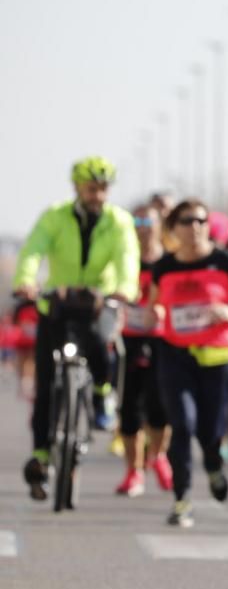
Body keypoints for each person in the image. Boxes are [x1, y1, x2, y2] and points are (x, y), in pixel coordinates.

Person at [13, 157, 139, 501]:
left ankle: (101, 393)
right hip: (58, 303)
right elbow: (32, 250)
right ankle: (41, 452)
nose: (99, 194)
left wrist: (125, 289)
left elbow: (128, 257)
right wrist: (26, 281)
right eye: (92, 188)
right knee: (45, 383)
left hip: (99, 302)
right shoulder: (55, 216)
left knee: (100, 338)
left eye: (104, 188)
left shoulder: (119, 222)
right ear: (78, 188)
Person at [150, 200, 228, 527]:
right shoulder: (164, 267)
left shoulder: (224, 262)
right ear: (174, 228)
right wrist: (153, 314)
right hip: (175, 354)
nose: (194, 226)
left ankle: (213, 464)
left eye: (200, 220)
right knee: (182, 424)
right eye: (186, 221)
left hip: (218, 356)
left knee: (211, 429)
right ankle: (182, 498)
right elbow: (153, 306)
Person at [115, 203, 173, 497]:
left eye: (148, 221)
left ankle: (159, 455)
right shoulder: (124, 260)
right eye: (136, 220)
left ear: (159, 224)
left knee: (160, 406)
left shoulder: (170, 260)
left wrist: (164, 309)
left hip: (162, 339)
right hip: (129, 338)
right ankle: (133, 472)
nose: (143, 226)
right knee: (129, 408)